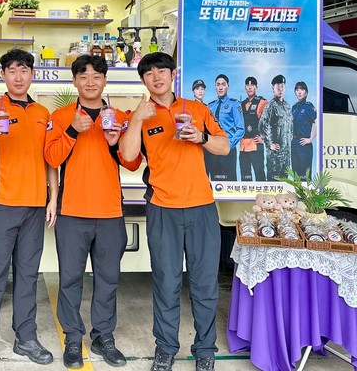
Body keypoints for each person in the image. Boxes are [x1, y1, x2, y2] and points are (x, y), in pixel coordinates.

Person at [119, 52, 229, 371]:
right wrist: (137, 119)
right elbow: (128, 156)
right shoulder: (140, 115)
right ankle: (165, 348)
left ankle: (205, 350)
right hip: (163, 208)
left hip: (201, 207)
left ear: (172, 75)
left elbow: (224, 146)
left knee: (204, 284)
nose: (156, 77)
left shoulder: (196, 109)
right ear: (143, 80)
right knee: (166, 283)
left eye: (162, 71)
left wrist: (202, 137)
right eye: (149, 73)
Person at [45, 55, 142, 369]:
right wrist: (72, 131)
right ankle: (73, 338)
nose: (90, 81)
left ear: (105, 80)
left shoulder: (118, 117)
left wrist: (114, 143)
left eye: (96, 76)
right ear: (74, 81)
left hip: (110, 212)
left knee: (108, 279)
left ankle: (103, 336)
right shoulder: (61, 116)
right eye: (83, 76)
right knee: (70, 279)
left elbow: (132, 162)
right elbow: (51, 158)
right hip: (73, 212)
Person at [0, 49, 57, 371]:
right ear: (3, 75)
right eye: (12, 71)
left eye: (24, 70)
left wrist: (53, 197)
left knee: (28, 275)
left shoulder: (43, 113)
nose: (19, 77)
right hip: (3, 203)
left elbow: (50, 159)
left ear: (33, 74)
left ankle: (26, 338)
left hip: (35, 206)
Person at [205, 74, 244, 181]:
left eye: (223, 84)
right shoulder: (210, 106)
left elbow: (240, 129)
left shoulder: (234, 104)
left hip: (228, 150)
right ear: (215, 87)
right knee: (215, 182)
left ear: (228, 86)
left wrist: (229, 145)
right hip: (213, 150)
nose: (220, 87)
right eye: (218, 84)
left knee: (229, 182)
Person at [259, 74, 293, 180]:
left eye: (282, 86)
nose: (280, 89)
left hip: (286, 154)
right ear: (273, 88)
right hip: (275, 156)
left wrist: (289, 140)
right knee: (273, 183)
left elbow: (291, 126)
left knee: (285, 182)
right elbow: (262, 125)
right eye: (277, 87)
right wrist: (270, 144)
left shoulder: (287, 106)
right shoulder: (271, 106)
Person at [239, 77, 267, 182]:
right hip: (243, 147)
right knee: (245, 177)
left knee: (260, 176)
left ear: (256, 87)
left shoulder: (262, 102)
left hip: (256, 146)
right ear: (245, 87)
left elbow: (271, 122)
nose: (250, 87)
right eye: (248, 85)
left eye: (252, 85)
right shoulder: (241, 104)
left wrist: (264, 138)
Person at [291, 81, 317, 180]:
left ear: (306, 92)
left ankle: (306, 190)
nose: (299, 92)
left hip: (304, 144)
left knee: (305, 176)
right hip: (294, 143)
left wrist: (310, 139)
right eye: (297, 90)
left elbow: (317, 122)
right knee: (296, 176)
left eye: (302, 89)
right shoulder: (294, 107)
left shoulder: (308, 106)